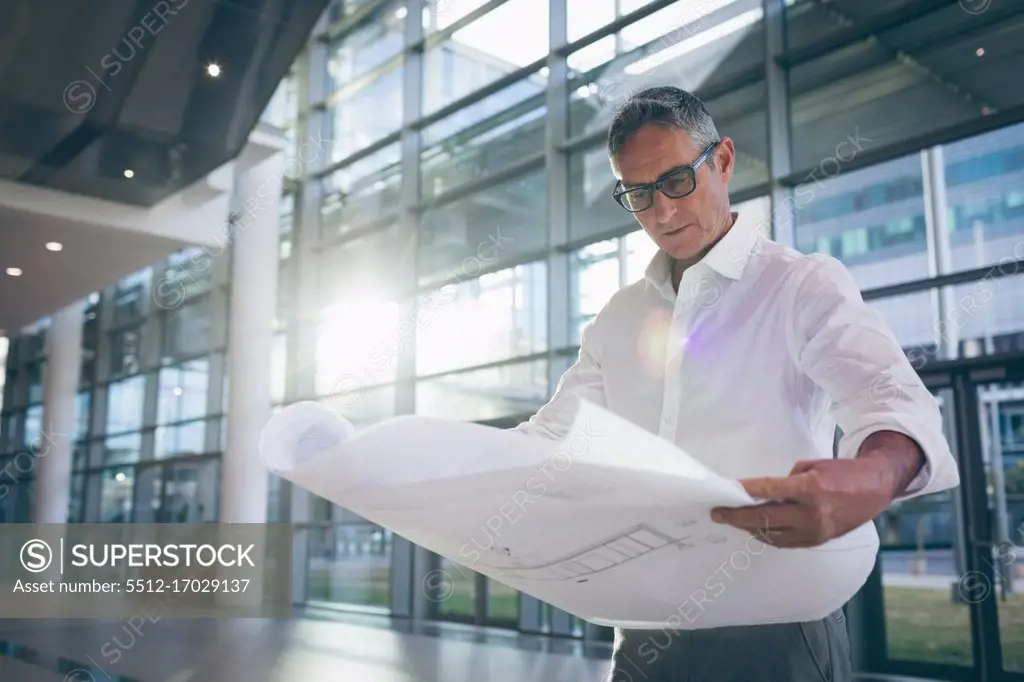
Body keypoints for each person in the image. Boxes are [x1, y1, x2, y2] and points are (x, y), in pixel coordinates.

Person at [513, 86, 961, 681]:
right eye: (639, 194)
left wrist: (872, 476)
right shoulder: (617, 319)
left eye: (676, 181)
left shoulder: (801, 286)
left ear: (722, 160)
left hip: (778, 629)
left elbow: (891, 398)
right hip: (645, 635)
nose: (663, 213)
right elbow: (551, 436)